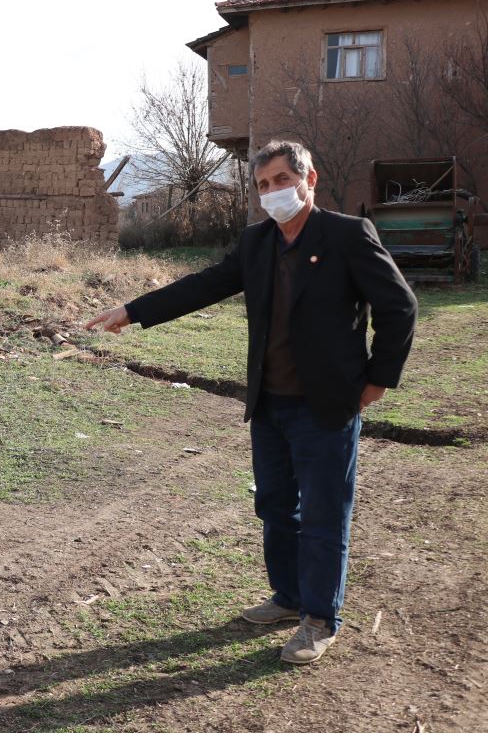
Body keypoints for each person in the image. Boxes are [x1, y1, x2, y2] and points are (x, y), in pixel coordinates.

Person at [87, 140, 417, 664]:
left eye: (282, 180)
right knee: (276, 506)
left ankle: (319, 618)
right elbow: (204, 285)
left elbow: (399, 308)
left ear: (310, 180)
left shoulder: (347, 236)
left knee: (324, 515)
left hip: (326, 406)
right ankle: (289, 598)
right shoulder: (257, 243)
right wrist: (132, 309)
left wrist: (377, 382)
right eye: (263, 185)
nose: (272, 192)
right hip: (270, 404)